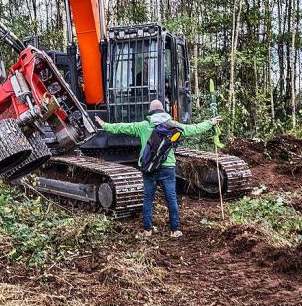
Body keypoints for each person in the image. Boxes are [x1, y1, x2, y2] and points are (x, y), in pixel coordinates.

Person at [94, 99, 221, 238]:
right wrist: (210, 122)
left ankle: (147, 230)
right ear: (163, 110)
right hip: (168, 167)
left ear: (150, 111)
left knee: (148, 199)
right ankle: (174, 230)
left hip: (149, 168)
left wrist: (104, 124)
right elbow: (193, 129)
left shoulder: (143, 126)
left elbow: (122, 127)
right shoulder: (172, 125)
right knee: (171, 198)